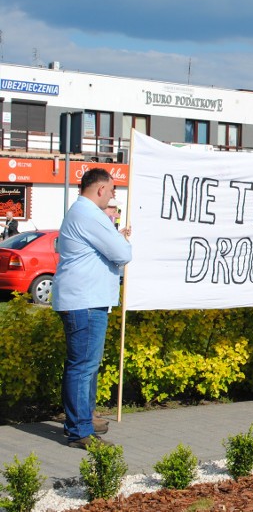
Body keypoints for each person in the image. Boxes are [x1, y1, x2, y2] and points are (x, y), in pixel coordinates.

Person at [53, 168, 132, 448]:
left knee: (85, 366)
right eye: (112, 190)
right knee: (83, 367)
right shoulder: (90, 215)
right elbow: (123, 254)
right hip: (84, 301)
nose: (113, 195)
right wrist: (120, 241)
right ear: (99, 189)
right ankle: (79, 431)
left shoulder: (81, 212)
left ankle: (84, 418)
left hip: (84, 300)